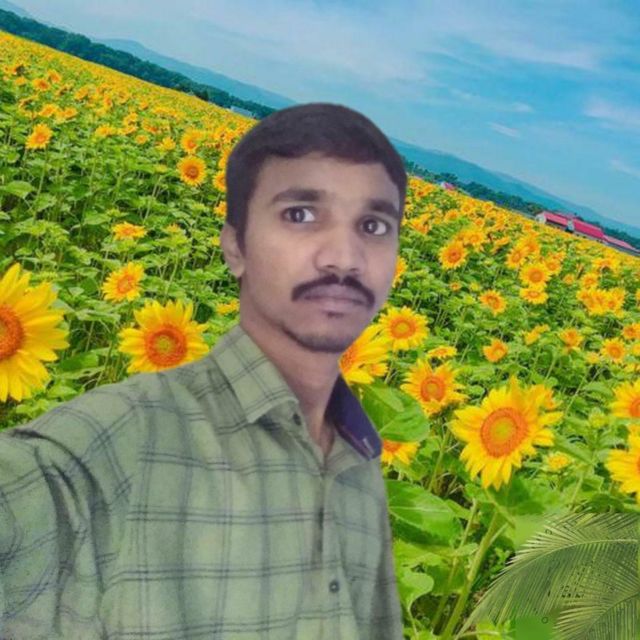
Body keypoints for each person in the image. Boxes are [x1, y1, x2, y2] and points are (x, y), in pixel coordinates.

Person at [0, 102, 407, 639]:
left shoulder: (359, 462)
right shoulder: (124, 440)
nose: (344, 257)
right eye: (301, 215)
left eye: (374, 225)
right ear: (235, 246)